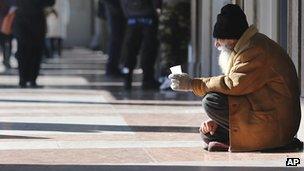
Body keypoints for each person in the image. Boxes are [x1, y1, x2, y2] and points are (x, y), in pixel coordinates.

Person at [169, 4, 303, 152]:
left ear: (231, 39)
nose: (216, 44)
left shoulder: (256, 50)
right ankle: (232, 137)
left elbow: (233, 84)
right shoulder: (248, 46)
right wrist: (218, 121)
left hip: (277, 126)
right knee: (208, 133)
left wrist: (193, 84)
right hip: (264, 115)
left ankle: (245, 140)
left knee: (212, 101)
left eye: (219, 39)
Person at [120, 0, 162, 90]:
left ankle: (127, 76)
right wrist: (157, 7)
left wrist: (127, 11)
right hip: (148, 14)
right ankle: (147, 79)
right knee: (148, 48)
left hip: (132, 14)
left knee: (130, 48)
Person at [14, 0, 55, 88]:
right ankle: (31, 79)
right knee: (34, 52)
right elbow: (51, 2)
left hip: (23, 20)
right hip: (35, 21)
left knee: (23, 51)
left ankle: (23, 79)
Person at [99, 0, 125, 77]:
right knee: (116, 38)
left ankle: (113, 67)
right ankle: (112, 68)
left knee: (117, 38)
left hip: (114, 6)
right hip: (114, 6)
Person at [0, 0, 16, 70]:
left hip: (7, 27)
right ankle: (6, 61)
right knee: (6, 45)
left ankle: (6, 61)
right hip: (7, 27)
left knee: (6, 45)